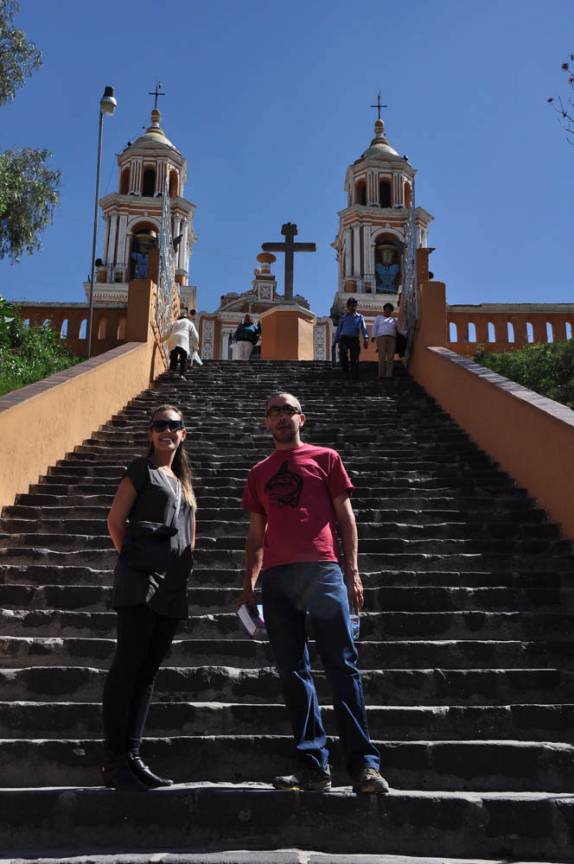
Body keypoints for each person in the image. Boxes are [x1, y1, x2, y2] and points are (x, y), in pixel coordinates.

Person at [238, 391, 389, 795]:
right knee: (293, 672)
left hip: (323, 571)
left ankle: (364, 766)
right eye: (273, 411)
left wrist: (351, 572)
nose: (281, 416)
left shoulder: (326, 458)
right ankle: (312, 764)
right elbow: (256, 534)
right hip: (278, 577)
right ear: (266, 423)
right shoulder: (259, 471)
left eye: (288, 409)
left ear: (302, 418)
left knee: (342, 666)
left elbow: (346, 518)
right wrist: (248, 583)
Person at [102, 404, 196, 790]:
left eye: (173, 425)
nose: (166, 430)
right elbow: (114, 520)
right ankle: (115, 761)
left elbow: (190, 534)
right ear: (149, 433)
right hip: (141, 582)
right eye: (158, 424)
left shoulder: (184, 482)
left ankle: (134, 756)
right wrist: (132, 561)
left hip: (172, 586)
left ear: (183, 433)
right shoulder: (141, 470)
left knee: (148, 674)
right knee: (128, 667)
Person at [334, 298, 369, 380]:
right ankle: (345, 372)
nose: (353, 307)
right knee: (342, 353)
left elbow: (363, 328)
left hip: (354, 339)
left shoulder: (360, 317)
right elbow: (339, 329)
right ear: (347, 306)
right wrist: (336, 340)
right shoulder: (343, 317)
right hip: (344, 339)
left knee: (355, 357)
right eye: (351, 305)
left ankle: (354, 374)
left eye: (354, 306)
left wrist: (366, 338)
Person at [371, 302, 404, 378]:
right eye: (387, 309)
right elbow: (375, 327)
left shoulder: (393, 320)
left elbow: (398, 330)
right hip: (381, 338)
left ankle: (389, 375)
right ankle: (381, 374)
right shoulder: (379, 317)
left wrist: (405, 332)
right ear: (384, 310)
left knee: (390, 357)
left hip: (392, 339)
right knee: (382, 356)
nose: (388, 311)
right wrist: (373, 336)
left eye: (390, 310)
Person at [167, 310, 199, 378]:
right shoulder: (189, 323)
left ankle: (172, 371)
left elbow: (168, 333)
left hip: (173, 338)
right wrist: (196, 346)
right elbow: (196, 336)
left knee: (173, 356)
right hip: (183, 339)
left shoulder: (175, 322)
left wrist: (160, 340)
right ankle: (181, 374)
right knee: (183, 358)